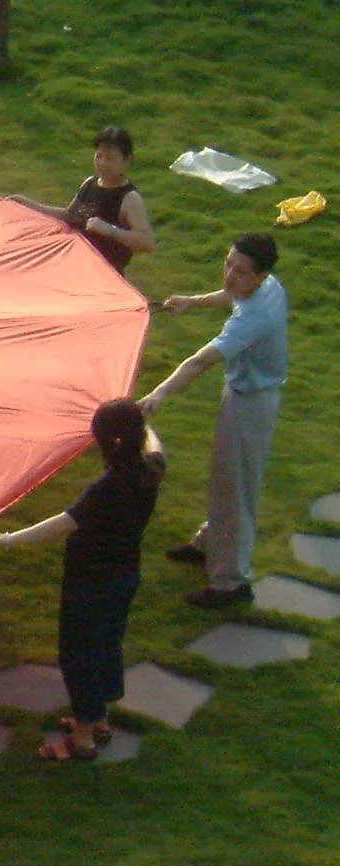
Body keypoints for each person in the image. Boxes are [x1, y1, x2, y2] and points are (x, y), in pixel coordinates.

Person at [0, 400, 166, 761]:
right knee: (108, 644)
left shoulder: (107, 489)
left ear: (107, 443)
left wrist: (7, 540)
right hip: (125, 575)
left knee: (79, 654)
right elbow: (153, 443)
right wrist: (142, 419)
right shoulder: (151, 469)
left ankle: (81, 741)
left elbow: (63, 523)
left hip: (90, 583)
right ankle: (99, 719)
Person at [139, 232, 288, 608]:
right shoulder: (265, 286)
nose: (229, 275)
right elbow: (229, 295)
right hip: (243, 394)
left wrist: (159, 393)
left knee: (237, 488)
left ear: (260, 275)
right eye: (228, 264)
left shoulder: (254, 318)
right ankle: (208, 545)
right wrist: (191, 302)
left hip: (252, 403)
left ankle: (231, 583)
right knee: (224, 477)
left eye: (240, 271)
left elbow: (200, 362)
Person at [9, 126, 156, 274]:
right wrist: (28, 205)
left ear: (127, 160)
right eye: (99, 156)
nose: (103, 163)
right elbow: (69, 215)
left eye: (110, 158)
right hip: (75, 268)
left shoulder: (129, 198)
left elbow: (147, 242)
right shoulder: (90, 184)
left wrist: (110, 231)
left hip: (104, 277)